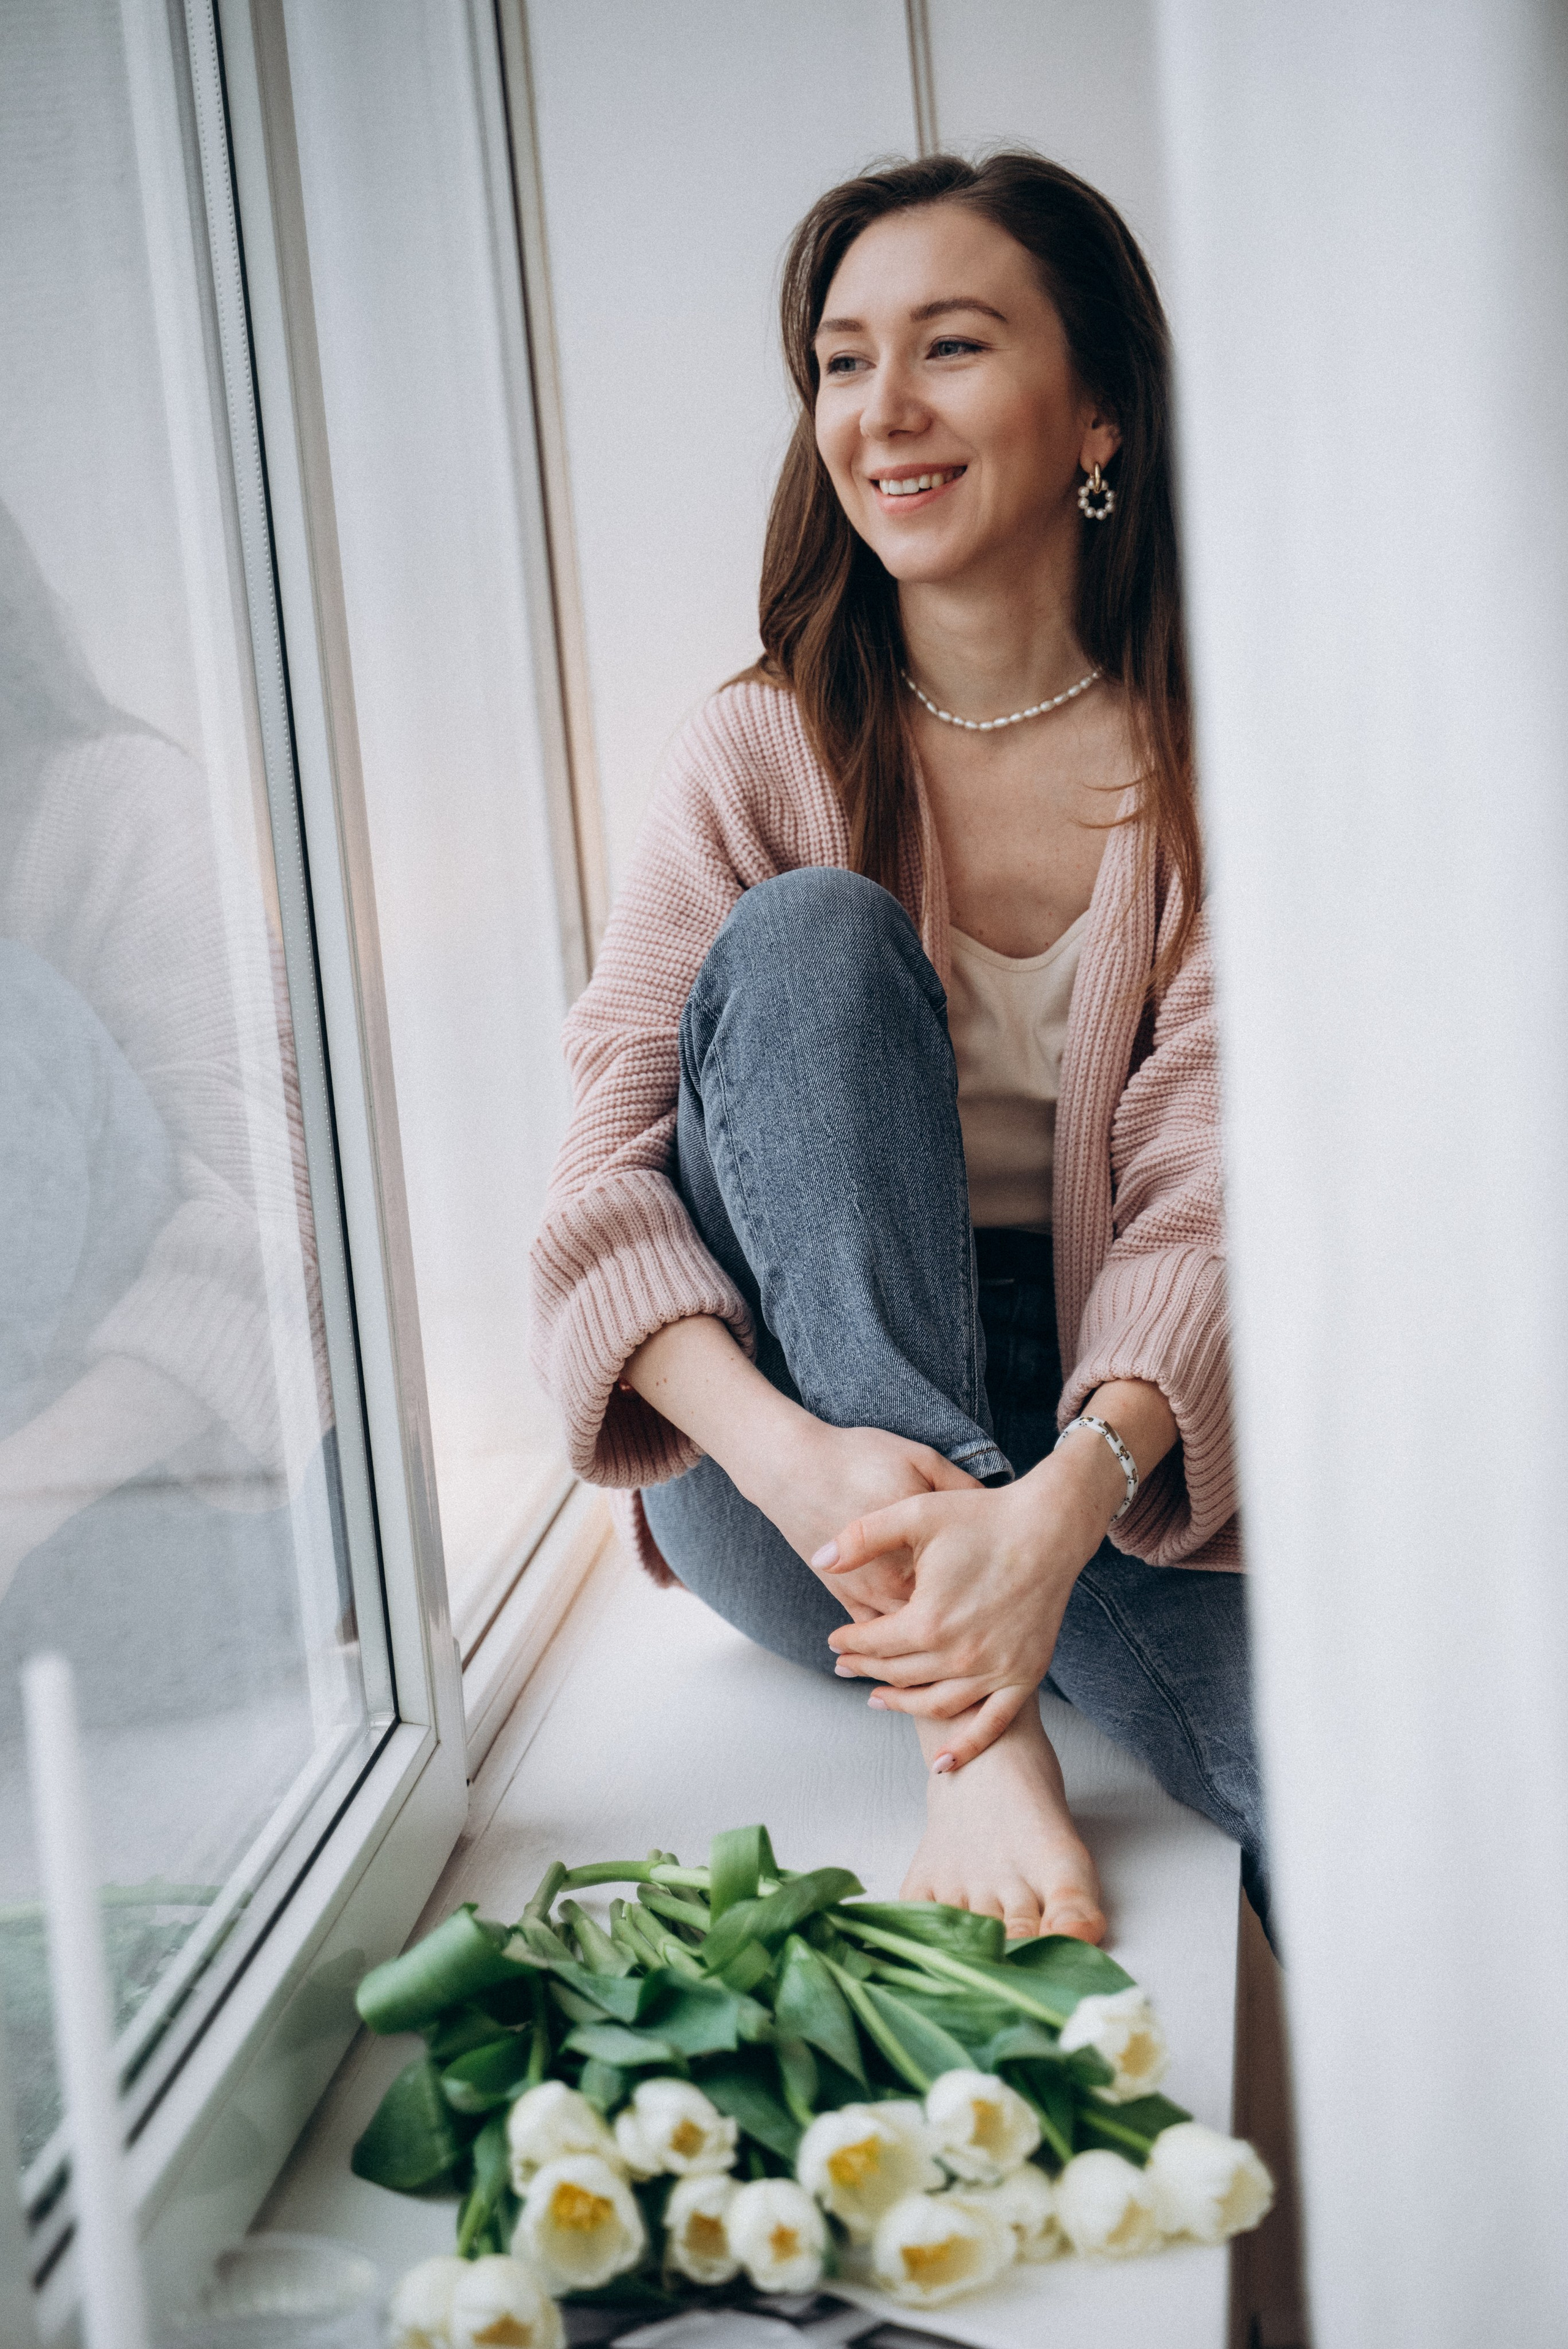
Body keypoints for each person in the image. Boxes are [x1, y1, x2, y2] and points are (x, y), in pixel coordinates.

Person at [530, 153, 1265, 1943]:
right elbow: (605, 1187)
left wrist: (1054, 1515)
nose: (886, 411)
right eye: (843, 362)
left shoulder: (1232, 759)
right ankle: (968, 1741)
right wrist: (815, 1471)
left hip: (1116, 1430)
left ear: (1098, 408)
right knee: (809, 940)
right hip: (775, 1441)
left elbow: (1216, 1201)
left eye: (948, 346)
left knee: (1335, 1769)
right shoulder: (757, 751)